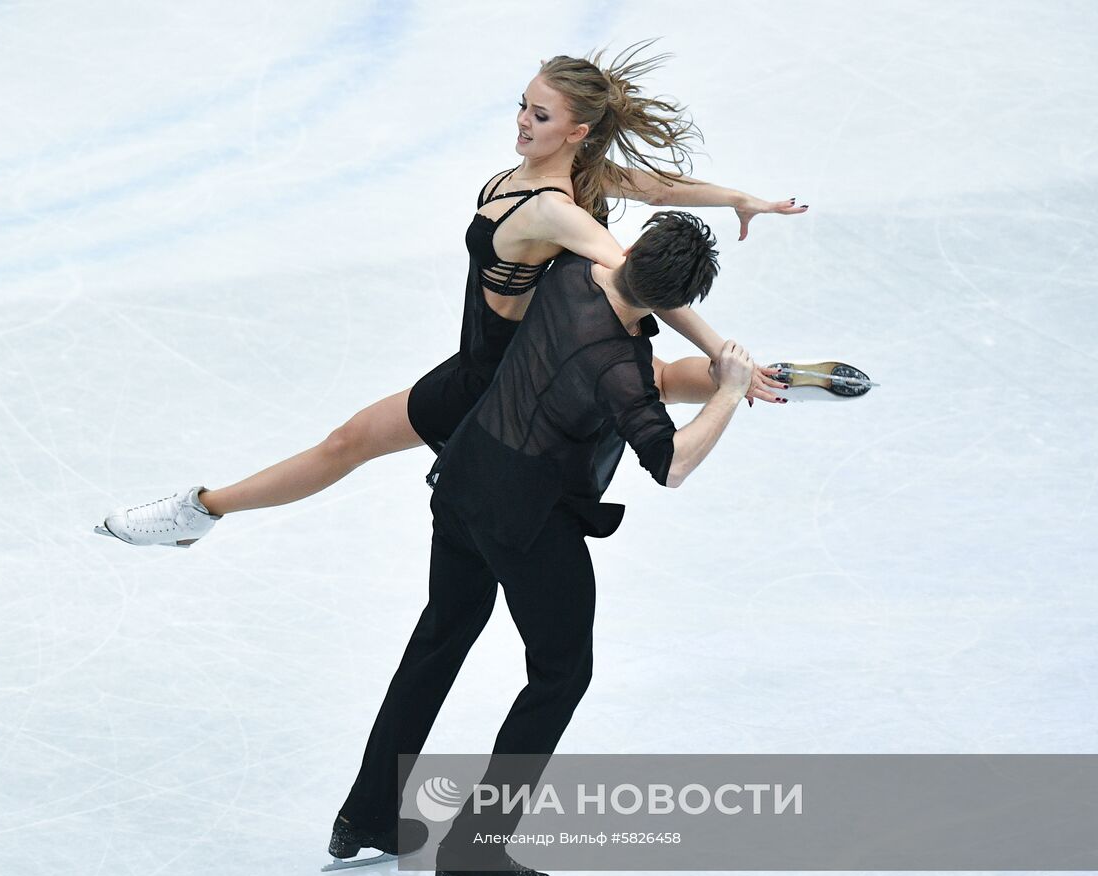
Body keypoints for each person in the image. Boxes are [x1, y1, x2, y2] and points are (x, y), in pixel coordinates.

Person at [95, 45, 804, 546]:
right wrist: (740, 197)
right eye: (524, 106)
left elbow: (636, 282)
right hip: (513, 356)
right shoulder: (573, 172)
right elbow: (658, 187)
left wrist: (714, 342)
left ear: (576, 132)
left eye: (542, 117)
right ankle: (760, 378)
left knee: (346, 444)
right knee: (650, 378)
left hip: (497, 380)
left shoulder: (559, 207)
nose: (524, 122)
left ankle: (199, 512)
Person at [328, 211, 753, 876]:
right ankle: (479, 847)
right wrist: (731, 390)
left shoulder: (568, 274)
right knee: (561, 674)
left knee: (443, 633)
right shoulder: (620, 369)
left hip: (463, 483)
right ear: (680, 298)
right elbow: (671, 464)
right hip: (525, 520)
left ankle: (366, 817)